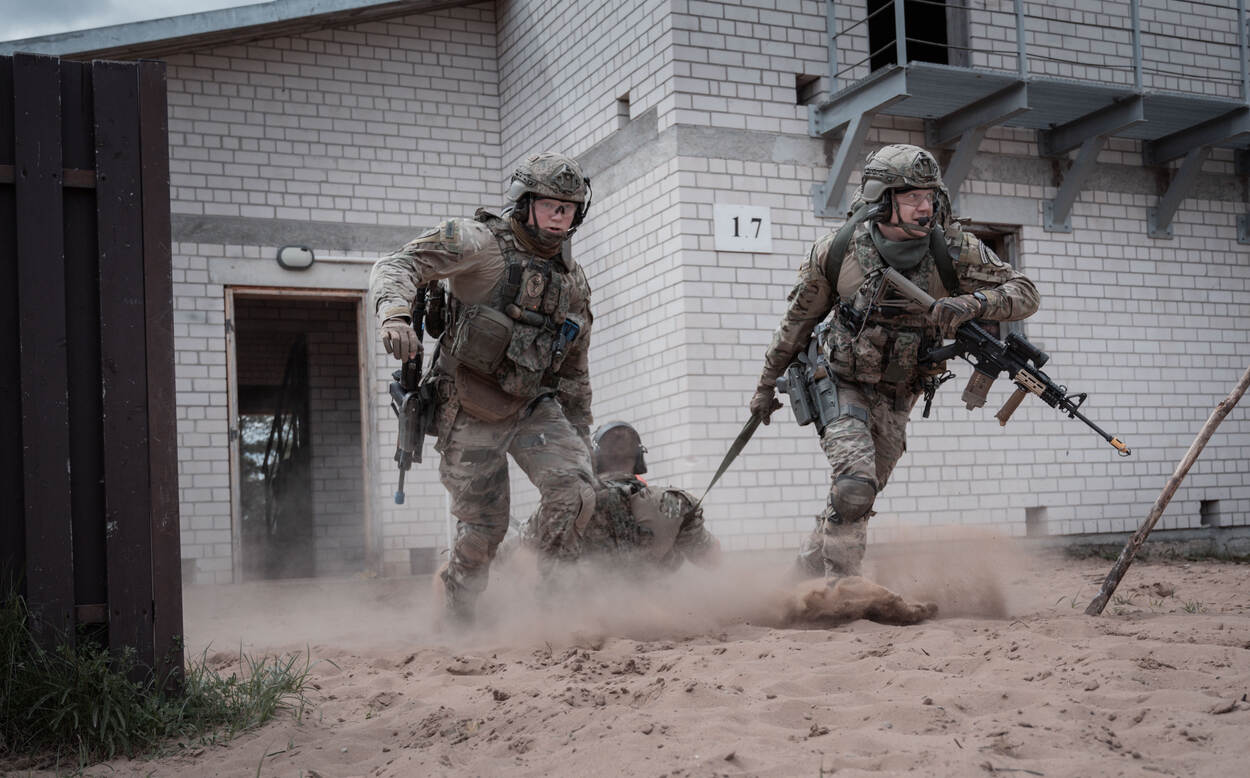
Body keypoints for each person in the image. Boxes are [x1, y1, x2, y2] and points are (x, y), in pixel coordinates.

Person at [749, 144, 1040, 580]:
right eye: (912, 197)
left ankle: (802, 578)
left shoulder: (954, 250)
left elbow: (1025, 293)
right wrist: (764, 386)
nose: (925, 207)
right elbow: (796, 324)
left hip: (900, 393)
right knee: (854, 484)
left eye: (930, 196)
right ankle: (842, 587)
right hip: (841, 381)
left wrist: (974, 303)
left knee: (858, 496)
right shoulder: (838, 251)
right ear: (883, 199)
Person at [369, 152, 598, 623]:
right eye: (551, 204)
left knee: (576, 492)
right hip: (469, 405)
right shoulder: (477, 242)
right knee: (483, 529)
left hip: (532, 404)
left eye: (569, 207)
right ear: (525, 202)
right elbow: (398, 263)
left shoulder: (572, 279)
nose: (560, 215)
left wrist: (580, 432)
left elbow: (574, 365)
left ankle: (554, 605)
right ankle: (459, 616)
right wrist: (394, 315)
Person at [516, 421, 721, 571]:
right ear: (639, 459)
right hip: (659, 604)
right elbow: (711, 559)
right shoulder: (674, 503)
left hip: (585, 607)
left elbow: (520, 555)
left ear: (592, 460)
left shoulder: (566, 502)